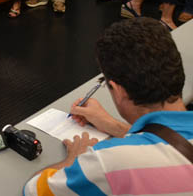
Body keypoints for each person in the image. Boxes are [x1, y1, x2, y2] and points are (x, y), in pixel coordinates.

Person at [24, 17, 193, 195]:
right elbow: (166, 144)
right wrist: (113, 125)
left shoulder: (109, 162)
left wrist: (74, 159)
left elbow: (33, 190)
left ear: (119, 91)